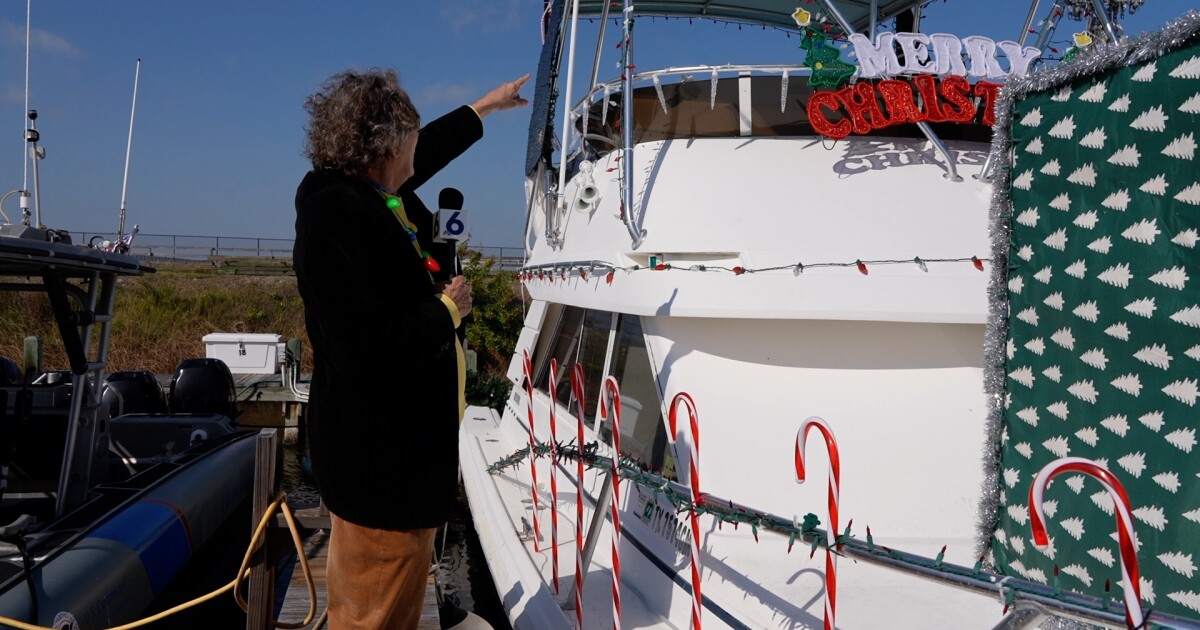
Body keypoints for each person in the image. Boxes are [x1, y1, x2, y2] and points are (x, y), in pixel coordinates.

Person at [294, 67, 528, 628]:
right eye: (412, 138)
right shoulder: (336, 215)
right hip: (381, 476)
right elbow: (361, 348)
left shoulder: (371, 192)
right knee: (372, 618)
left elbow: (435, 147)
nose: (419, 150)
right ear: (387, 146)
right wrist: (446, 310)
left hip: (402, 471)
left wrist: (486, 105)